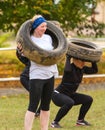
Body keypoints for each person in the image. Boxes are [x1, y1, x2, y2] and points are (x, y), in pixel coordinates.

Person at [24, 15, 58, 130]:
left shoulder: (48, 37)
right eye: (42, 26)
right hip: (37, 76)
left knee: (46, 106)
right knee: (33, 106)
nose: (44, 28)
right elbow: (24, 57)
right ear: (35, 27)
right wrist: (20, 51)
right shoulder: (29, 40)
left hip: (50, 74)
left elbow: (56, 52)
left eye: (45, 26)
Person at [51, 54, 98, 128]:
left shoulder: (82, 68)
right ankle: (54, 123)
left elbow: (94, 70)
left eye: (84, 61)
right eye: (81, 61)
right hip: (58, 95)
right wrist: (68, 57)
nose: (83, 63)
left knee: (88, 99)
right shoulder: (69, 68)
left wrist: (93, 60)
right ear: (75, 60)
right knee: (70, 102)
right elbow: (67, 69)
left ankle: (80, 121)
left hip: (70, 95)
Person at [16, 44, 40, 117]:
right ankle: (35, 113)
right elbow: (22, 58)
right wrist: (19, 50)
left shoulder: (42, 59)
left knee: (42, 95)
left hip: (34, 78)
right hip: (26, 78)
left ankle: (37, 113)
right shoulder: (31, 58)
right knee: (37, 95)